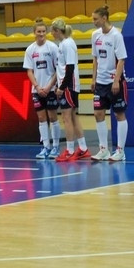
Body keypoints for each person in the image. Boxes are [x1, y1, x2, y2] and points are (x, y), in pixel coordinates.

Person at [90, 5, 129, 161]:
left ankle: (120, 151)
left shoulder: (116, 35)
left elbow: (121, 59)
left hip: (115, 81)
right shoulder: (95, 35)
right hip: (100, 82)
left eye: (95, 19)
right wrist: (93, 79)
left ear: (104, 18)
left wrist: (116, 80)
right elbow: (95, 58)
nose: (93, 22)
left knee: (119, 114)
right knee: (98, 114)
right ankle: (103, 149)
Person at [50, 18, 91, 161]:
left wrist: (62, 87)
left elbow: (70, 67)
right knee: (73, 116)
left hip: (69, 86)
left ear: (57, 31)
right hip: (69, 85)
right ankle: (83, 147)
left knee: (66, 118)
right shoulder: (64, 44)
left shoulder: (67, 44)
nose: (52, 34)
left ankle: (69, 150)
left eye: (52, 31)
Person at [23, 18, 61, 159]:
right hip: (37, 90)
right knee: (41, 118)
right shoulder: (30, 49)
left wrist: (49, 86)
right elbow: (29, 71)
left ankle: (56, 146)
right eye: (39, 31)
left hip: (50, 89)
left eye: (44, 31)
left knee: (52, 117)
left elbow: (58, 69)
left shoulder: (52, 47)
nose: (41, 34)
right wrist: (37, 87)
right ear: (34, 32)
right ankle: (46, 147)